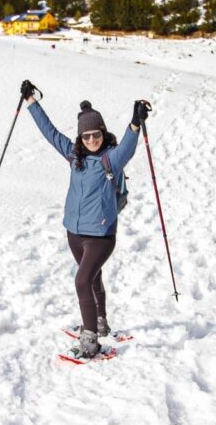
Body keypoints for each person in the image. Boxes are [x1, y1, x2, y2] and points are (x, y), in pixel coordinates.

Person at [23, 80, 150, 358]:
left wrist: (135, 125)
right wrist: (31, 101)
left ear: (103, 133)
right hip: (74, 232)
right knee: (92, 278)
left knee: (82, 280)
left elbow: (127, 148)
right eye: (86, 136)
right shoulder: (74, 156)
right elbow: (50, 132)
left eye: (96, 134)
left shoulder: (110, 160)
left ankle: (91, 340)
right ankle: (100, 321)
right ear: (80, 138)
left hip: (101, 236)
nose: (92, 140)